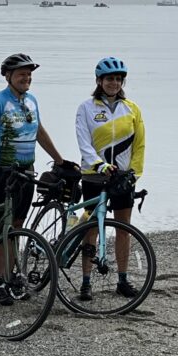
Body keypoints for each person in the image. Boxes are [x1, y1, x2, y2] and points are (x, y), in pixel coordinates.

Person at [0, 52, 66, 304]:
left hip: (25, 171)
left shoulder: (31, 101)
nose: (27, 78)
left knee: (17, 226)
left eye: (29, 74)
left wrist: (60, 160)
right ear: (8, 76)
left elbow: (39, 132)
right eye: (22, 73)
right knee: (3, 227)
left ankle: (12, 276)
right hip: (0, 171)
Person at [74, 56, 145, 300]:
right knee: (91, 228)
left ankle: (123, 280)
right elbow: (84, 143)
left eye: (118, 79)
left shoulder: (132, 108)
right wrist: (99, 164)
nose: (114, 83)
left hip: (122, 178)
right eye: (109, 79)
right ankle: (85, 281)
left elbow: (140, 144)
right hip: (94, 176)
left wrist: (134, 173)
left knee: (124, 229)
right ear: (99, 81)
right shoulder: (86, 108)